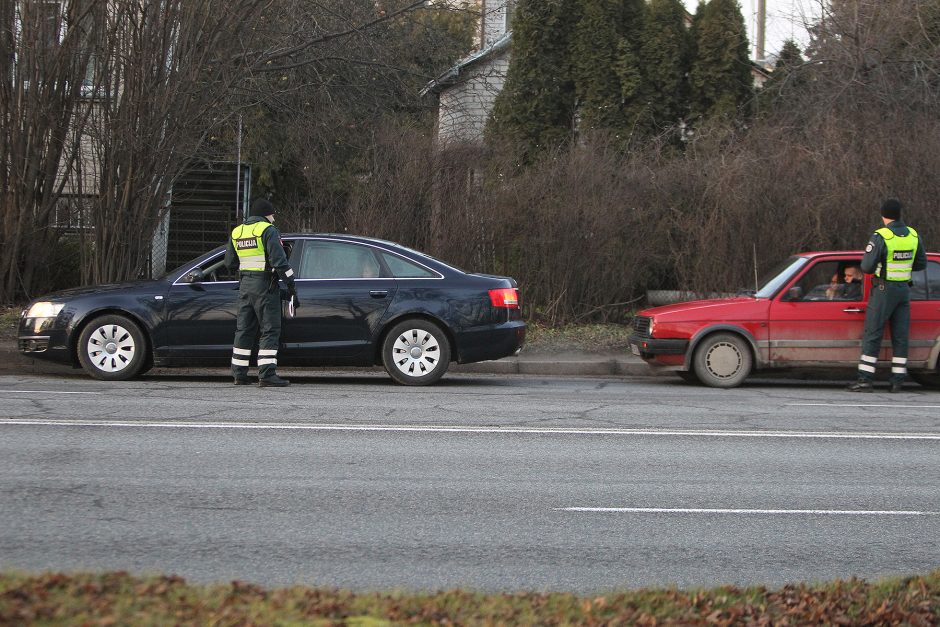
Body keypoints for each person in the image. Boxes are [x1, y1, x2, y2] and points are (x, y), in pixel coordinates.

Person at [847, 198, 926, 393]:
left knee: (873, 334)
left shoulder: (881, 236)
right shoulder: (913, 235)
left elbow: (866, 267)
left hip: (884, 290)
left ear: (883, 215)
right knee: (900, 336)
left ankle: (865, 380)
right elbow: (921, 264)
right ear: (900, 214)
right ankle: (897, 381)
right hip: (904, 291)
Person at [224, 198, 299, 387]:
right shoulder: (268, 230)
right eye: (272, 215)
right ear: (267, 214)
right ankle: (267, 375)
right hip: (265, 287)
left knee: (244, 330)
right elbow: (280, 262)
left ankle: (239, 374)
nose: (274, 219)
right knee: (270, 329)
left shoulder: (238, 231)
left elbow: (229, 263)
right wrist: (291, 285)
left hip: (245, 286)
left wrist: (248, 268)